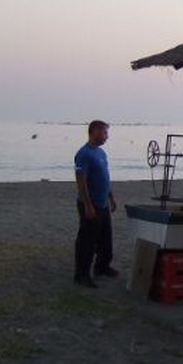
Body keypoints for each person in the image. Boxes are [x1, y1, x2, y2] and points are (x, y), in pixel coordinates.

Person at [74, 120, 118, 288]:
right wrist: (88, 205)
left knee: (105, 239)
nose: (107, 136)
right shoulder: (84, 154)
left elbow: (105, 178)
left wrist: (111, 197)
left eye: (107, 133)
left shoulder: (101, 153)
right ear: (94, 132)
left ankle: (102, 267)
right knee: (87, 241)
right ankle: (81, 275)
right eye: (104, 133)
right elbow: (81, 181)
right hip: (90, 203)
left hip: (103, 203)